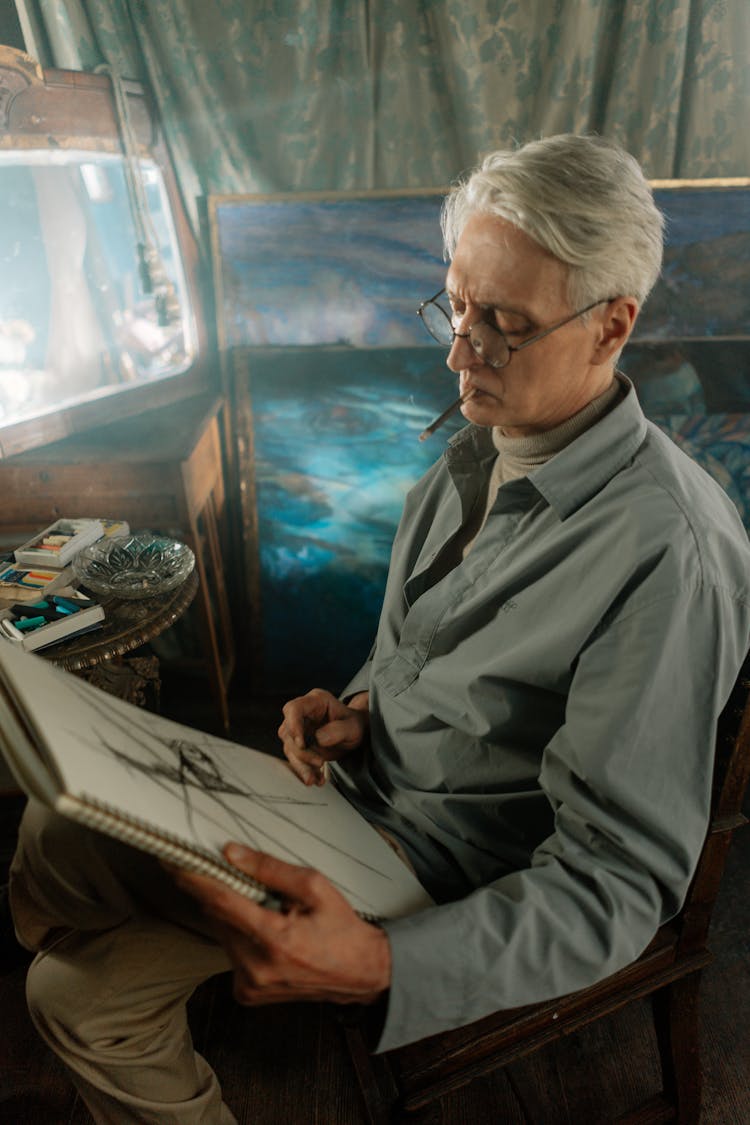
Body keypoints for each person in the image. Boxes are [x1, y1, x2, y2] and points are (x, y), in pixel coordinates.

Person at [9, 133, 750, 1125]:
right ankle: (145, 958)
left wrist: (385, 963)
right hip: (350, 802)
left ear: (613, 325)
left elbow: (619, 884)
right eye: (455, 304)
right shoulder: (476, 449)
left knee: (77, 997)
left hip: (440, 878)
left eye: (502, 323)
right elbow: (429, 654)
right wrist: (360, 709)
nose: (457, 353)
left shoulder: (674, 554)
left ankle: (133, 986)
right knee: (51, 828)